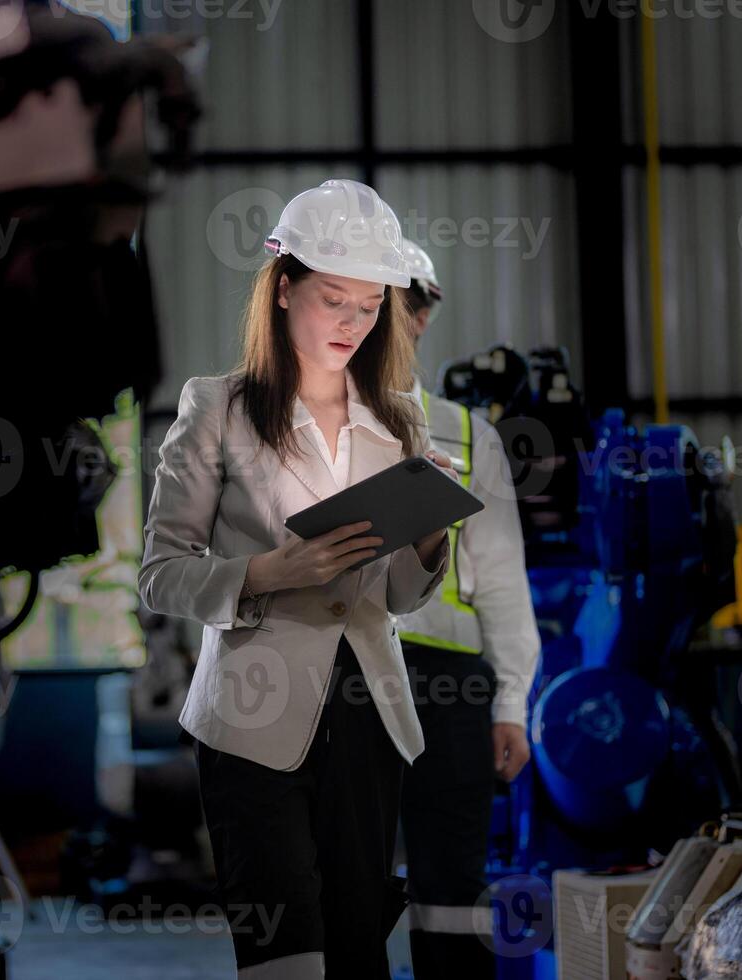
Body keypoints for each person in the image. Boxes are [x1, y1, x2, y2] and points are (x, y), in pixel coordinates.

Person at [139, 179, 455, 979]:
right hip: (252, 718)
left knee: (357, 953)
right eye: (332, 300)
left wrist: (425, 538)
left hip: (367, 717)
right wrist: (268, 572)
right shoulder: (216, 409)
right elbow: (161, 575)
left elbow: (395, 600)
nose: (352, 323)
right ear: (283, 289)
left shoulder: (399, 422)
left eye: (369, 304)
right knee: (285, 958)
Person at [395, 238, 541, 980]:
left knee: (451, 886)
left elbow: (503, 576)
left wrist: (511, 700)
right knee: (340, 880)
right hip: (334, 676)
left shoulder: (462, 433)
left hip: (446, 683)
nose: (405, 318)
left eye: (413, 303)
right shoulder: (306, 428)